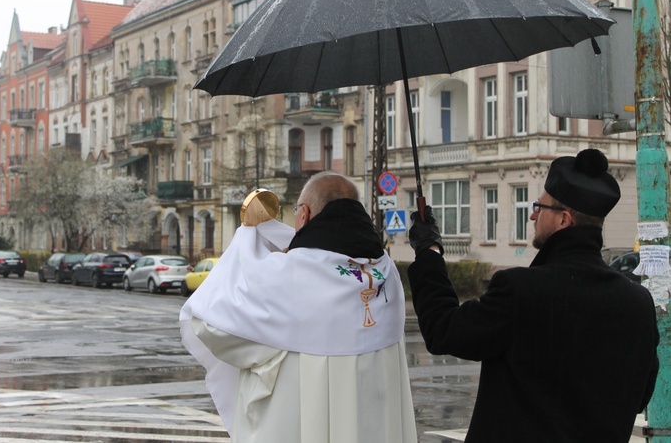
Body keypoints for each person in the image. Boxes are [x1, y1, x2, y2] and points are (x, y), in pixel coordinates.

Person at [408, 148, 659, 442]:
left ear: (564, 220)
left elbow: (443, 329)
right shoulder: (639, 303)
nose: (532, 215)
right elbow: (640, 395)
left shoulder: (521, 291)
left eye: (540, 207)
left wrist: (429, 252)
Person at [180, 171, 417, 443]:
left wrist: (244, 242)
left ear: (304, 213)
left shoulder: (286, 275)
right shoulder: (386, 271)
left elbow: (209, 323)